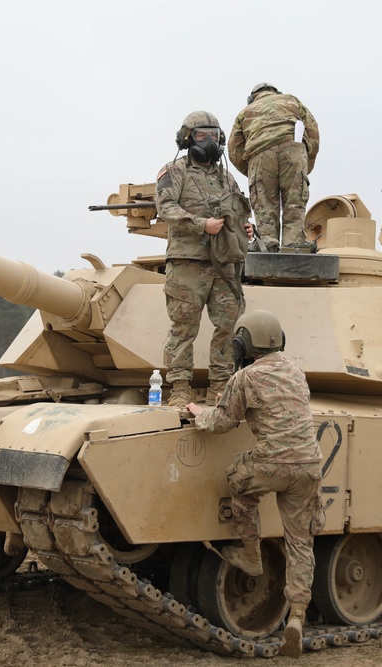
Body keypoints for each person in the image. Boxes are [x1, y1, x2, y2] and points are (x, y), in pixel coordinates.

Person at [185, 309, 323, 658]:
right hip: (308, 466)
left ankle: (251, 555)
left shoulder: (246, 377)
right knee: (300, 542)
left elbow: (221, 422)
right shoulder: (296, 371)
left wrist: (197, 412)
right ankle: (296, 616)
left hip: (273, 464)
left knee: (239, 478)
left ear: (243, 342)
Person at [156, 110, 254, 408]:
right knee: (183, 328)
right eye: (201, 136)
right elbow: (166, 207)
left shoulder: (227, 177)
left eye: (214, 135)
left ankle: (221, 385)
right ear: (188, 139)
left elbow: (238, 212)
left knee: (229, 325)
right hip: (188, 263)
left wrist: (247, 227)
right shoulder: (174, 172)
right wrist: (202, 224)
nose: (209, 141)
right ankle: (180, 388)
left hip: (224, 264)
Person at [228, 83, 320, 252]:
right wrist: (304, 168)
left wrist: (251, 171)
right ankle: (294, 248)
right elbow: (313, 135)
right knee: (294, 204)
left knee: (264, 207)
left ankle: (267, 249)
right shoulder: (293, 101)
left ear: (253, 98)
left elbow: (234, 151)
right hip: (294, 151)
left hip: (260, 156)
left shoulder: (245, 112)